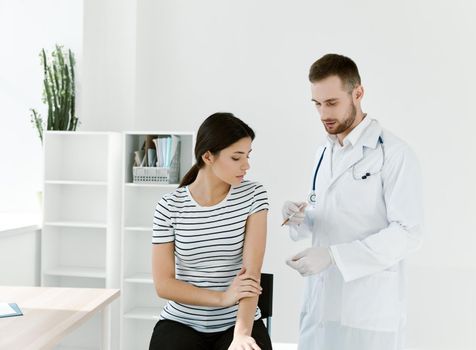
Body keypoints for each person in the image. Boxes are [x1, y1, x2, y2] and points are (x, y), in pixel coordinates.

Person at [282, 54, 424, 350]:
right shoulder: (324, 152)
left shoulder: (394, 154)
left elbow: (408, 233)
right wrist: (301, 218)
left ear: (358, 93)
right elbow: (332, 214)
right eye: (317, 104)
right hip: (321, 302)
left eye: (332, 103)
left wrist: (335, 256)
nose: (323, 114)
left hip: (366, 309)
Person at [150, 113, 272, 350]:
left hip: (236, 322)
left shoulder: (254, 195)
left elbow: (251, 275)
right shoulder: (169, 206)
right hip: (181, 321)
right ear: (208, 156)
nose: (246, 165)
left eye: (247, 156)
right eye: (236, 157)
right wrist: (222, 298)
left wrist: (242, 335)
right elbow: (163, 284)